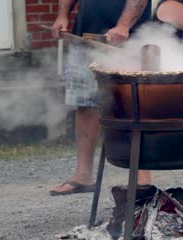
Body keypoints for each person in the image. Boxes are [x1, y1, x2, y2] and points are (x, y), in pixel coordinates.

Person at [49, 0, 153, 196]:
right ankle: (83, 177)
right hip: (85, 36)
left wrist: (124, 25)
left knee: (135, 106)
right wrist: (62, 15)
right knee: (85, 105)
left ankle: (142, 178)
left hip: (130, 38)